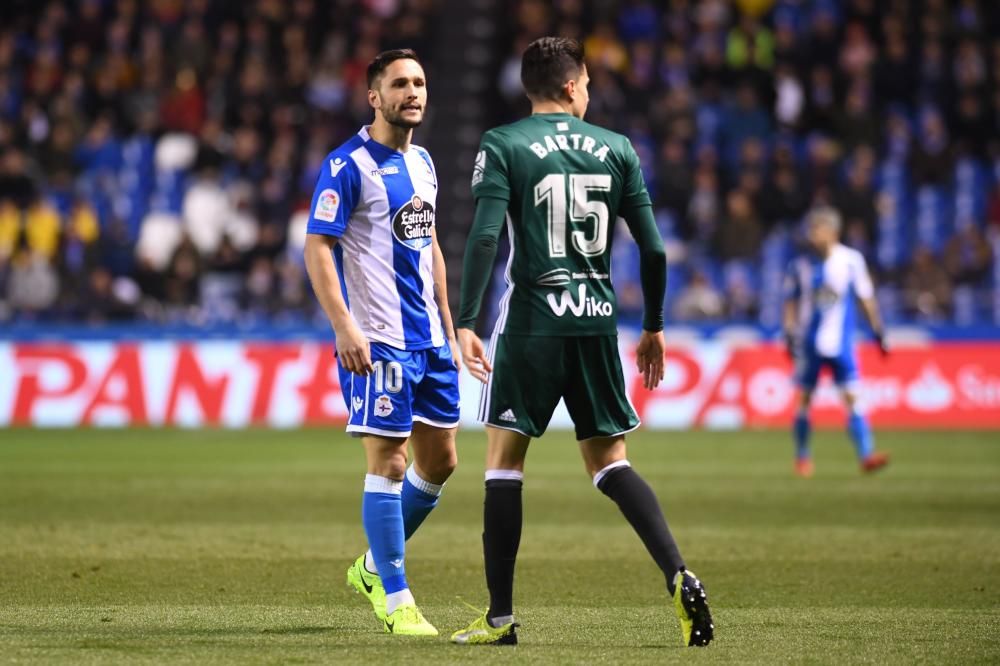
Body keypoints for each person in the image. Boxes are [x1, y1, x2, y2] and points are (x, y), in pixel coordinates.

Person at [451, 37, 714, 648]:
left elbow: (486, 238)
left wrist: (467, 319)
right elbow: (652, 247)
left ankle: (499, 619)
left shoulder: (504, 143)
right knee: (610, 462)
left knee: (504, 465)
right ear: (571, 85)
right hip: (595, 321)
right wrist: (652, 324)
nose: (590, 93)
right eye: (588, 83)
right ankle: (678, 574)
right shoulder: (618, 149)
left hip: (532, 322)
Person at [302, 49, 460, 637]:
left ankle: (371, 566)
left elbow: (430, 245)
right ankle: (397, 598)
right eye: (400, 84)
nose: (413, 92)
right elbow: (318, 246)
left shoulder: (424, 164)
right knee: (389, 461)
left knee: (440, 462)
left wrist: (449, 319)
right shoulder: (347, 166)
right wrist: (345, 325)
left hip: (430, 341)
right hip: (380, 343)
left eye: (419, 82)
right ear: (375, 96)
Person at [782, 206, 890, 478]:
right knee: (804, 400)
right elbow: (791, 301)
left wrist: (878, 330)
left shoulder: (851, 261)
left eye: (816, 228)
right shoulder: (800, 265)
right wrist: (789, 331)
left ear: (832, 231)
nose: (811, 234)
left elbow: (865, 298)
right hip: (809, 342)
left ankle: (867, 455)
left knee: (853, 398)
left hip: (841, 344)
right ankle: (802, 458)